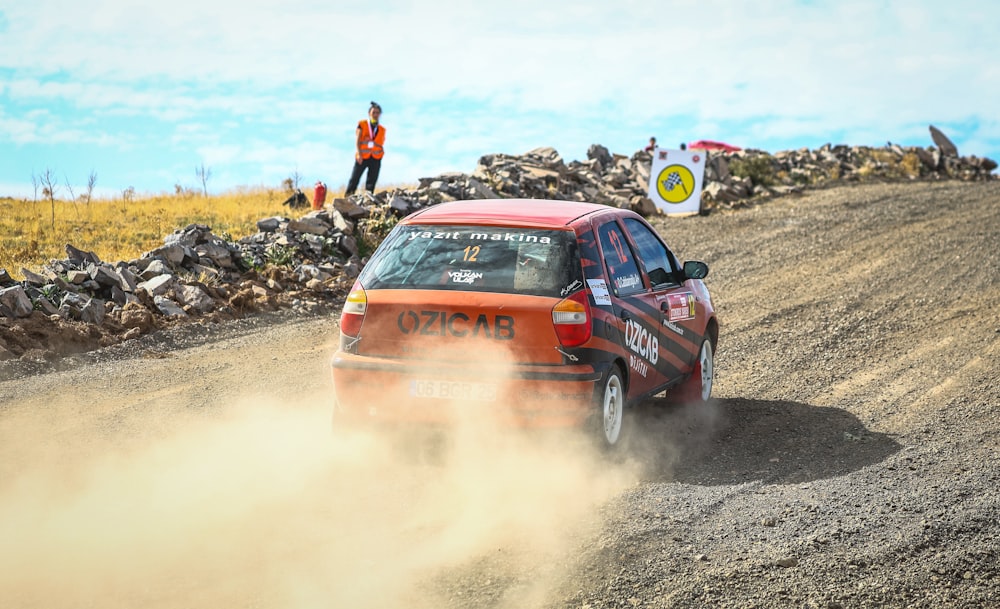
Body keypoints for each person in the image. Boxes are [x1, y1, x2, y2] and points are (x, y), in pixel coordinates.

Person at [345, 101, 385, 196]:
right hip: (363, 156)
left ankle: (368, 199)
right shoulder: (362, 124)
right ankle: (347, 198)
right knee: (354, 179)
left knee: (371, 181)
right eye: (373, 112)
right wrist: (359, 153)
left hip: (376, 157)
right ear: (369, 113)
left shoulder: (382, 129)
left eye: (377, 113)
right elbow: (358, 140)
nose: (375, 114)